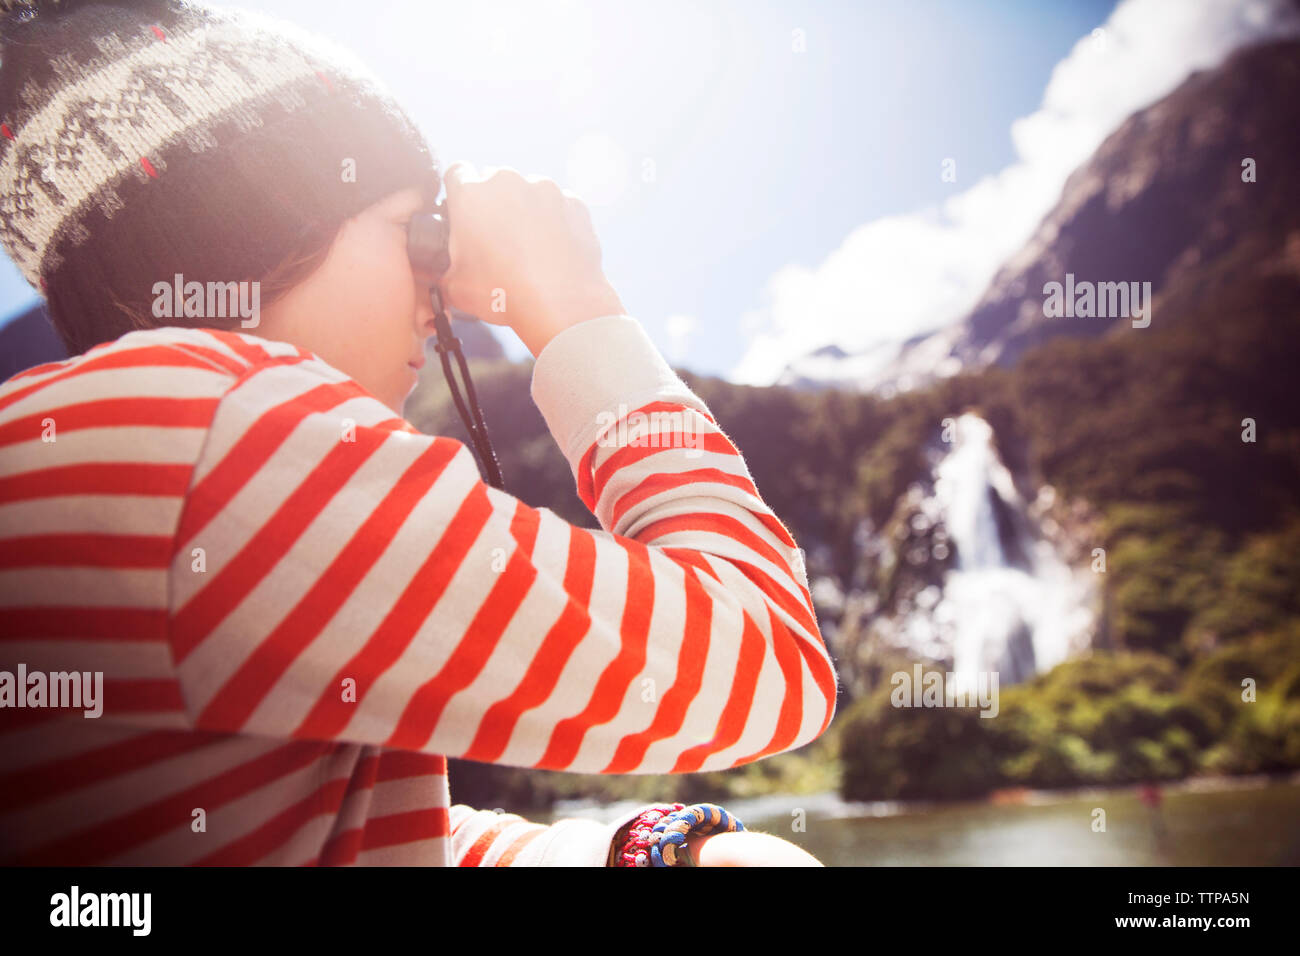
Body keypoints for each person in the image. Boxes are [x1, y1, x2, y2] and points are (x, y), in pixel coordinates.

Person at [0, 0, 837, 866]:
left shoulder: (132, 445)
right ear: (263, 226)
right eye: (419, 234)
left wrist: (630, 852)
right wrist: (576, 307)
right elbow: (769, 661)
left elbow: (327, 824)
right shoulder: (233, 437)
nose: (438, 302)